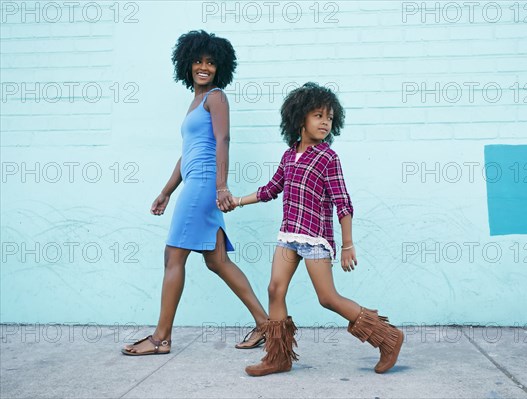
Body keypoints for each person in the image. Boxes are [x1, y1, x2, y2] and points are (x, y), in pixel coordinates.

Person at [220, 82, 404, 375]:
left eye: (329, 117)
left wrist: (347, 245)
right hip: (289, 235)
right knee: (274, 289)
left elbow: (343, 202)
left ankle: (388, 338)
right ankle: (278, 357)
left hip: (315, 238)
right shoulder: (289, 155)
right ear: (300, 119)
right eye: (318, 115)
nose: (325, 122)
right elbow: (271, 189)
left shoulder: (327, 157)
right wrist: (237, 201)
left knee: (327, 298)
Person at [122, 30, 268, 355]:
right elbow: (187, 152)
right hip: (194, 183)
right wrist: (166, 191)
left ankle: (161, 338)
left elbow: (223, 140)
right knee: (217, 261)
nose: (204, 67)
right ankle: (266, 324)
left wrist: (221, 186)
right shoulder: (195, 101)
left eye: (211, 63)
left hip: (204, 185)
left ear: (220, 68)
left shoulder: (215, 97)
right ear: (187, 63)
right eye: (199, 61)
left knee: (173, 256)